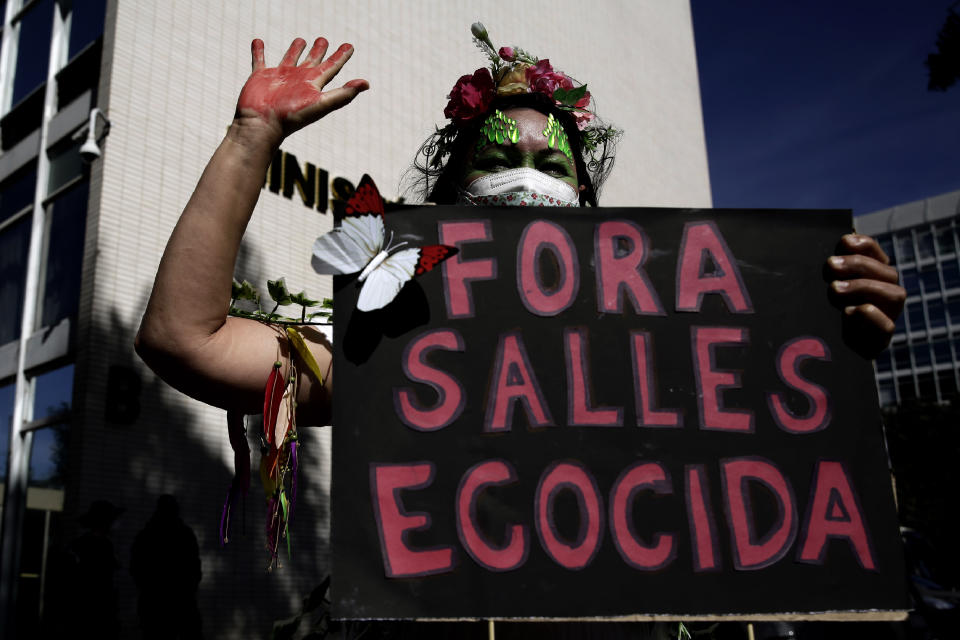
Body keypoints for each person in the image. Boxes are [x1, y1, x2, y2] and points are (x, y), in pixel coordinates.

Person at [135, 28, 905, 427]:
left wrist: (838, 341)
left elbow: (774, 427)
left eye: (554, 164)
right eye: (500, 158)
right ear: (448, 195)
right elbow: (183, 340)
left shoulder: (663, 354)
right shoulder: (395, 350)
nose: (529, 178)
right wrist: (251, 140)